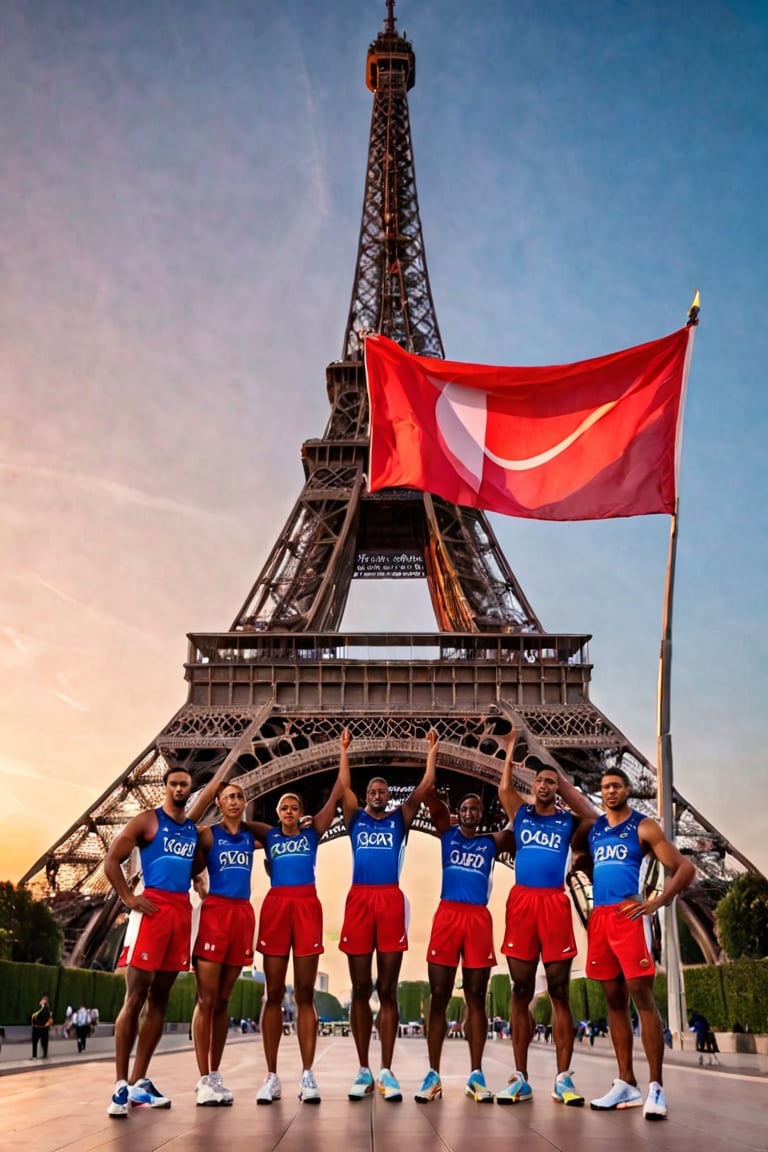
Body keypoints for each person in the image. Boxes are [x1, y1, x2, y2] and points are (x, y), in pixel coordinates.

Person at [576, 766, 695, 1120]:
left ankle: (656, 1087)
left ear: (628, 789)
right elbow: (566, 790)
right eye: (604, 787)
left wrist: (658, 901)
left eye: (616, 785)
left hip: (630, 917)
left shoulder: (644, 826)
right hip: (600, 919)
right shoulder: (595, 828)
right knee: (613, 1001)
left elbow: (685, 867)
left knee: (641, 997)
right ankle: (626, 1081)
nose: (610, 791)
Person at [496, 732, 597, 1106]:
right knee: (520, 992)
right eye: (540, 780)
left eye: (551, 782)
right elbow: (505, 788)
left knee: (559, 992)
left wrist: (566, 783)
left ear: (556, 788)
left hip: (554, 903)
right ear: (533, 785)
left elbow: (591, 815)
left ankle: (562, 1079)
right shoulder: (520, 813)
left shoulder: (568, 822)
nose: (544, 785)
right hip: (523, 902)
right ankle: (520, 1077)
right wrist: (508, 752)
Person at [414, 733, 516, 1103]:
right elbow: (427, 797)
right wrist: (433, 753)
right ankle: (433, 1074)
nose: (470, 813)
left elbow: (522, 822)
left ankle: (476, 1074)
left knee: (476, 997)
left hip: (476, 919)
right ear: (459, 813)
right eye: (465, 809)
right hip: (448, 914)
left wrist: (507, 765)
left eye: (476, 808)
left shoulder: (491, 842)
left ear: (482, 813)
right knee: (439, 996)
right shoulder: (446, 834)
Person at [338, 728, 435, 1102]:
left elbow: (426, 785)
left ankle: (387, 1071)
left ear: (389, 796)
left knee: (387, 990)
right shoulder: (354, 818)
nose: (378, 796)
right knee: (361, 989)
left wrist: (430, 751)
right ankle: (363, 1068)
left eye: (383, 792)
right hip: (360, 899)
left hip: (390, 900)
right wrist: (343, 751)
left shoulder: (399, 820)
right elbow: (342, 786)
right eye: (372, 792)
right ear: (365, 797)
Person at [103, 765, 205, 1118]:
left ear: (190, 791)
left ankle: (137, 1082)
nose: (179, 789)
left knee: (160, 997)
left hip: (179, 911)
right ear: (165, 786)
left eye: (185, 785)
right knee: (135, 996)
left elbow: (191, 865)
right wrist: (129, 899)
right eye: (174, 783)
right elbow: (111, 860)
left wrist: (200, 880)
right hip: (153, 907)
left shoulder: (193, 829)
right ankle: (119, 1084)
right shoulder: (147, 820)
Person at [252, 770, 343, 1106]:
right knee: (272, 993)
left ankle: (307, 1073)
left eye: (294, 806)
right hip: (278, 906)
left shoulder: (312, 834)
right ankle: (272, 1076)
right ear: (277, 813)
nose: (289, 810)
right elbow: (230, 824)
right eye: (284, 807)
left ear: (300, 811)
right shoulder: (269, 835)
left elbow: (336, 796)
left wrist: (344, 752)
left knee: (305, 994)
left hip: (306, 906)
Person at [186, 776, 263, 1107]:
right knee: (206, 999)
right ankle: (203, 1078)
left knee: (224, 1000)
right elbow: (187, 858)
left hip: (242, 915)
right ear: (218, 802)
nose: (234, 800)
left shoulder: (251, 834)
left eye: (239, 796)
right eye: (228, 796)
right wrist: (199, 885)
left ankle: (215, 1074)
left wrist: (300, 820)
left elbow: (287, 833)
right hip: (216, 912)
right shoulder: (207, 834)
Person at [31, 994, 52, 1058]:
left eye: (43, 1000)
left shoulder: (46, 1009)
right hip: (38, 1028)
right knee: (36, 1042)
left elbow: (47, 1018)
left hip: (42, 1028)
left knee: (43, 1042)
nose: (41, 1001)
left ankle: (43, 1055)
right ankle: (35, 1056)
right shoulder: (40, 1008)